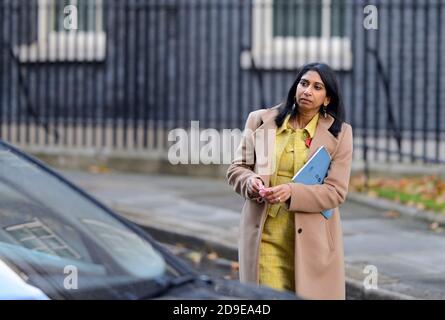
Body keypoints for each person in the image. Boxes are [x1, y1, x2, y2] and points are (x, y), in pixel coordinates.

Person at [226, 62, 353, 300]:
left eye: (317, 87)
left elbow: (335, 192)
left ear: (327, 99)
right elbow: (237, 168)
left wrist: (291, 192)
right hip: (266, 233)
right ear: (295, 86)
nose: (307, 91)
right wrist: (251, 181)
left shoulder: (340, 134)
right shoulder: (260, 121)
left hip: (312, 240)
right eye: (304, 84)